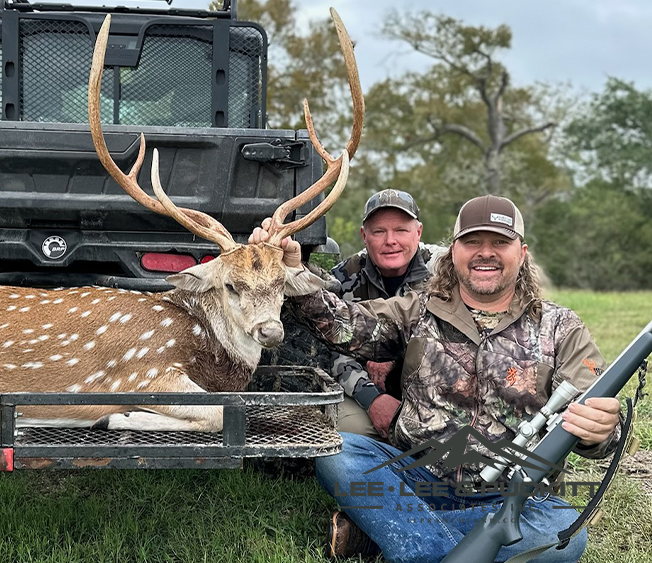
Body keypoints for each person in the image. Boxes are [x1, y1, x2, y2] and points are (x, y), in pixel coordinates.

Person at [250, 195, 622, 563]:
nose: (485, 253)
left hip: (512, 494)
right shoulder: (417, 309)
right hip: (415, 477)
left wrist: (602, 429)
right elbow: (343, 324)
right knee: (339, 454)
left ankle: (386, 533)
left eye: (500, 243)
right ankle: (442, 544)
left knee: (563, 532)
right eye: (473, 242)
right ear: (453, 251)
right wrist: (294, 271)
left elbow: (598, 411)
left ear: (521, 253)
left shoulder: (561, 327)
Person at [327, 189, 446, 441]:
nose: (390, 240)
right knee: (345, 429)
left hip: (433, 386)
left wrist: (390, 351)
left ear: (418, 232)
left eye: (401, 230)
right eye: (379, 231)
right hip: (372, 386)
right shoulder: (343, 277)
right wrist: (372, 399)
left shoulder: (446, 269)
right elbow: (331, 345)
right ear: (364, 236)